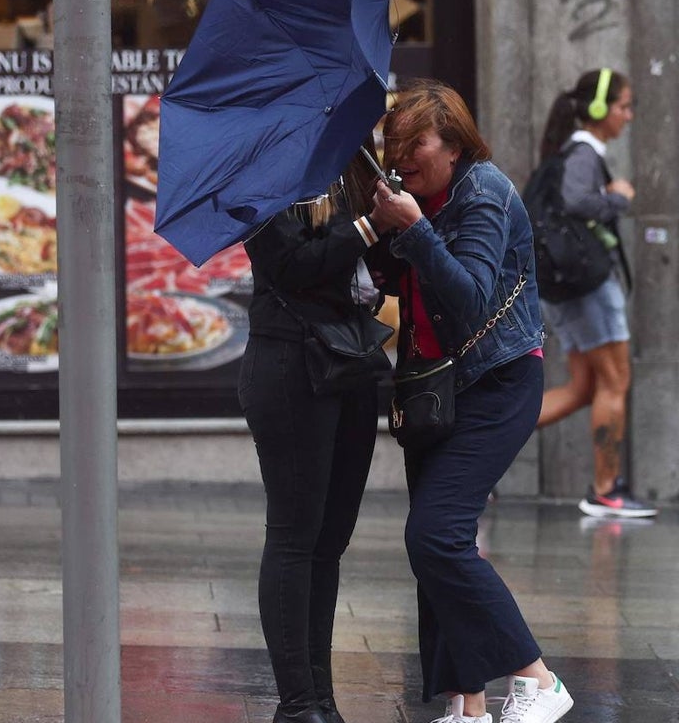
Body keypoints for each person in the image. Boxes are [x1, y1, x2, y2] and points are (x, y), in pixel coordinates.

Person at [367, 79, 573, 723]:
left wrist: (416, 230)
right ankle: (468, 705)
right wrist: (378, 229)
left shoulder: (483, 191)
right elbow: (397, 287)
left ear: (453, 145)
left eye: (417, 144)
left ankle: (539, 680)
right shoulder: (418, 194)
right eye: (395, 145)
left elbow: (472, 300)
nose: (404, 157)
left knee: (436, 536)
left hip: (498, 383)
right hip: (436, 389)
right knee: (437, 542)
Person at [238, 147, 385, 723]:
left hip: (351, 360)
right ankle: (297, 704)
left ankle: (323, 700)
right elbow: (292, 264)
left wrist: (392, 215)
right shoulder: (257, 170)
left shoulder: (349, 162)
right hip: (289, 362)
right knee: (296, 535)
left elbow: (373, 264)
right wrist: (370, 226)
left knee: (330, 540)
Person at [534, 68, 655, 518]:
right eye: (624, 106)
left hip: (570, 289)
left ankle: (482, 440)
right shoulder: (584, 152)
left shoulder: (573, 151)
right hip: (588, 289)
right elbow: (575, 202)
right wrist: (618, 198)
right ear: (601, 110)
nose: (628, 116)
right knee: (615, 381)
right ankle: (606, 491)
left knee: (585, 387)